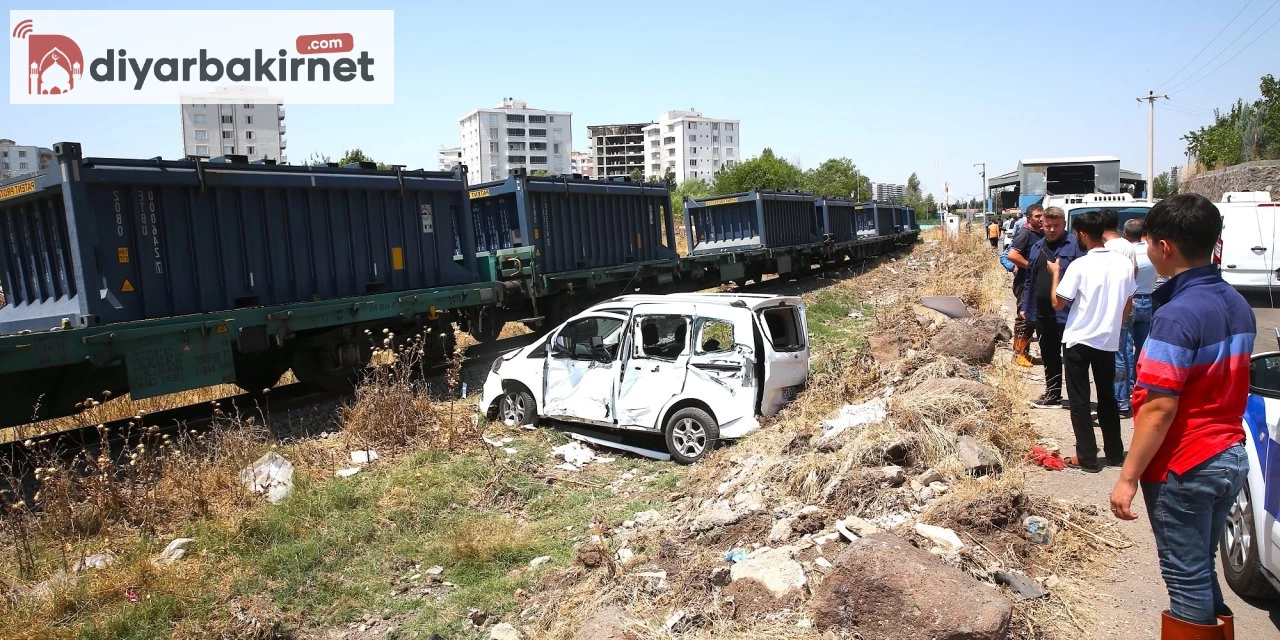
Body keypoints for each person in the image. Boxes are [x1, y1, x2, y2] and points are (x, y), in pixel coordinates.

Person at [1109, 193, 1254, 639]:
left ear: (1164, 247)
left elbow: (1159, 406)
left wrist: (1128, 477)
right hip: (1228, 455)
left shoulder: (1177, 315)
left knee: (1185, 579)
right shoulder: (1235, 302)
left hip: (1185, 463)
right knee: (1199, 570)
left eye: (1149, 242)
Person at [1050, 210, 1135, 472]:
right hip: (1107, 342)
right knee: (1107, 397)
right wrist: (1115, 326)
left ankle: (1086, 456)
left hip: (1078, 340)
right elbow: (1128, 303)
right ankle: (1114, 452)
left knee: (1080, 400)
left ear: (1083, 234)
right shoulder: (1123, 264)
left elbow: (1057, 302)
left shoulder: (1079, 265)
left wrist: (1055, 273)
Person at [1020, 206, 1082, 408]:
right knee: (1049, 354)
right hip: (1042, 312)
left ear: (1064, 224)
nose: (1052, 229)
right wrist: (1025, 305)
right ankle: (1053, 393)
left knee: (1073, 357)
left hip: (1068, 312)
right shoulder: (1038, 247)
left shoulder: (1075, 246)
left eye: (1056, 225)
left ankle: (1076, 398)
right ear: (1042, 224)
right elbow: (1030, 279)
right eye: (1048, 225)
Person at [1100, 208, 1139, 419]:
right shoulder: (1128, 246)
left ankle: (1120, 402)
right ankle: (1128, 393)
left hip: (1115, 305)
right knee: (1126, 350)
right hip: (1129, 301)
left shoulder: (1107, 248)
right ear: (1117, 225)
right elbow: (1134, 273)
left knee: (1116, 354)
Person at [1007, 204, 1045, 367]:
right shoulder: (1025, 233)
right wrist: (1031, 266)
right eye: (1037, 216)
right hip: (1024, 283)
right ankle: (1018, 354)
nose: (1041, 219)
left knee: (1031, 319)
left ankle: (1025, 353)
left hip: (1035, 283)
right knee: (1024, 318)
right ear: (1029, 218)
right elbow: (1012, 255)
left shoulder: (1040, 233)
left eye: (1042, 215)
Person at [1129, 219, 1156, 356]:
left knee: (1126, 346)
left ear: (1126, 234)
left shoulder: (1127, 252)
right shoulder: (1151, 252)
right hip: (1148, 300)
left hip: (1130, 301)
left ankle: (1127, 377)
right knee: (1143, 347)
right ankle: (1141, 375)